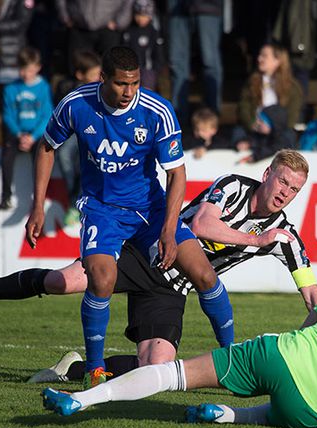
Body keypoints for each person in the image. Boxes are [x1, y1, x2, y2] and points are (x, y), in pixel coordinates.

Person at [0, 150, 317, 383]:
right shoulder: (235, 185)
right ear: (267, 174)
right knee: (61, 282)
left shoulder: (285, 236)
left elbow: (312, 295)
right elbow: (201, 223)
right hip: (146, 252)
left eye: (294, 190)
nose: (285, 195)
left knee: (157, 369)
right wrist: (258, 240)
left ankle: (73, 369)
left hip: (172, 290)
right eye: (283, 183)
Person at [40, 247, 317, 428]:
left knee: (174, 374)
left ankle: (82, 399)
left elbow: (308, 325)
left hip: (279, 354)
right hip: (312, 405)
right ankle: (229, 415)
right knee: (309, 408)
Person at [26, 46, 233, 387]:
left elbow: (176, 175)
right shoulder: (76, 104)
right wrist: (37, 206)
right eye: (122, 84)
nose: (129, 92)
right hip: (101, 209)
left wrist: (168, 230)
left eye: (135, 83)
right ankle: (94, 370)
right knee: (102, 278)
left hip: (149, 210)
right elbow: (47, 147)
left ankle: (233, 360)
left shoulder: (157, 111)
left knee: (205, 275)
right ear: (103, 78)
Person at [0, 46, 53, 210]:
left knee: (40, 159)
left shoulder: (43, 87)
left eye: (29, 70)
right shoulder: (10, 89)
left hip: (36, 134)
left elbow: (47, 115)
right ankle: (6, 196)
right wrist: (19, 135)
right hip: (17, 134)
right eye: (22, 69)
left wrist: (33, 136)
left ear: (37, 68)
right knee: (6, 157)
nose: (25, 74)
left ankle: (40, 197)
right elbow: (8, 115)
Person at [53, 49, 102, 226]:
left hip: (95, 134)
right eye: (94, 74)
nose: (98, 77)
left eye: (99, 73)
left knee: (86, 160)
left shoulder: (101, 90)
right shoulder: (67, 89)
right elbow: (60, 113)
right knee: (64, 154)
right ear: (80, 74)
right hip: (72, 132)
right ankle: (75, 197)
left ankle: (78, 202)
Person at [233, 43, 302, 164]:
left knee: (289, 136)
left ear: (277, 60)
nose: (259, 59)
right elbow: (243, 107)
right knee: (238, 132)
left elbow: (291, 117)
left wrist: (272, 128)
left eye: (264, 56)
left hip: (277, 133)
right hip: (254, 129)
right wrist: (253, 124)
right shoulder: (252, 82)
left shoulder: (292, 87)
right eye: (260, 55)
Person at [168, 0, 223, 119]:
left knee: (210, 61)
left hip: (208, 6)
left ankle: (211, 120)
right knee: (177, 63)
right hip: (177, 8)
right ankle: (178, 118)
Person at [121, 0, 164, 92]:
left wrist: (157, 67)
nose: (141, 19)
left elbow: (158, 51)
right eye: (138, 15)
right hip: (130, 69)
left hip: (148, 69)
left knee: (146, 91)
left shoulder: (153, 31)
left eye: (144, 16)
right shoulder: (129, 30)